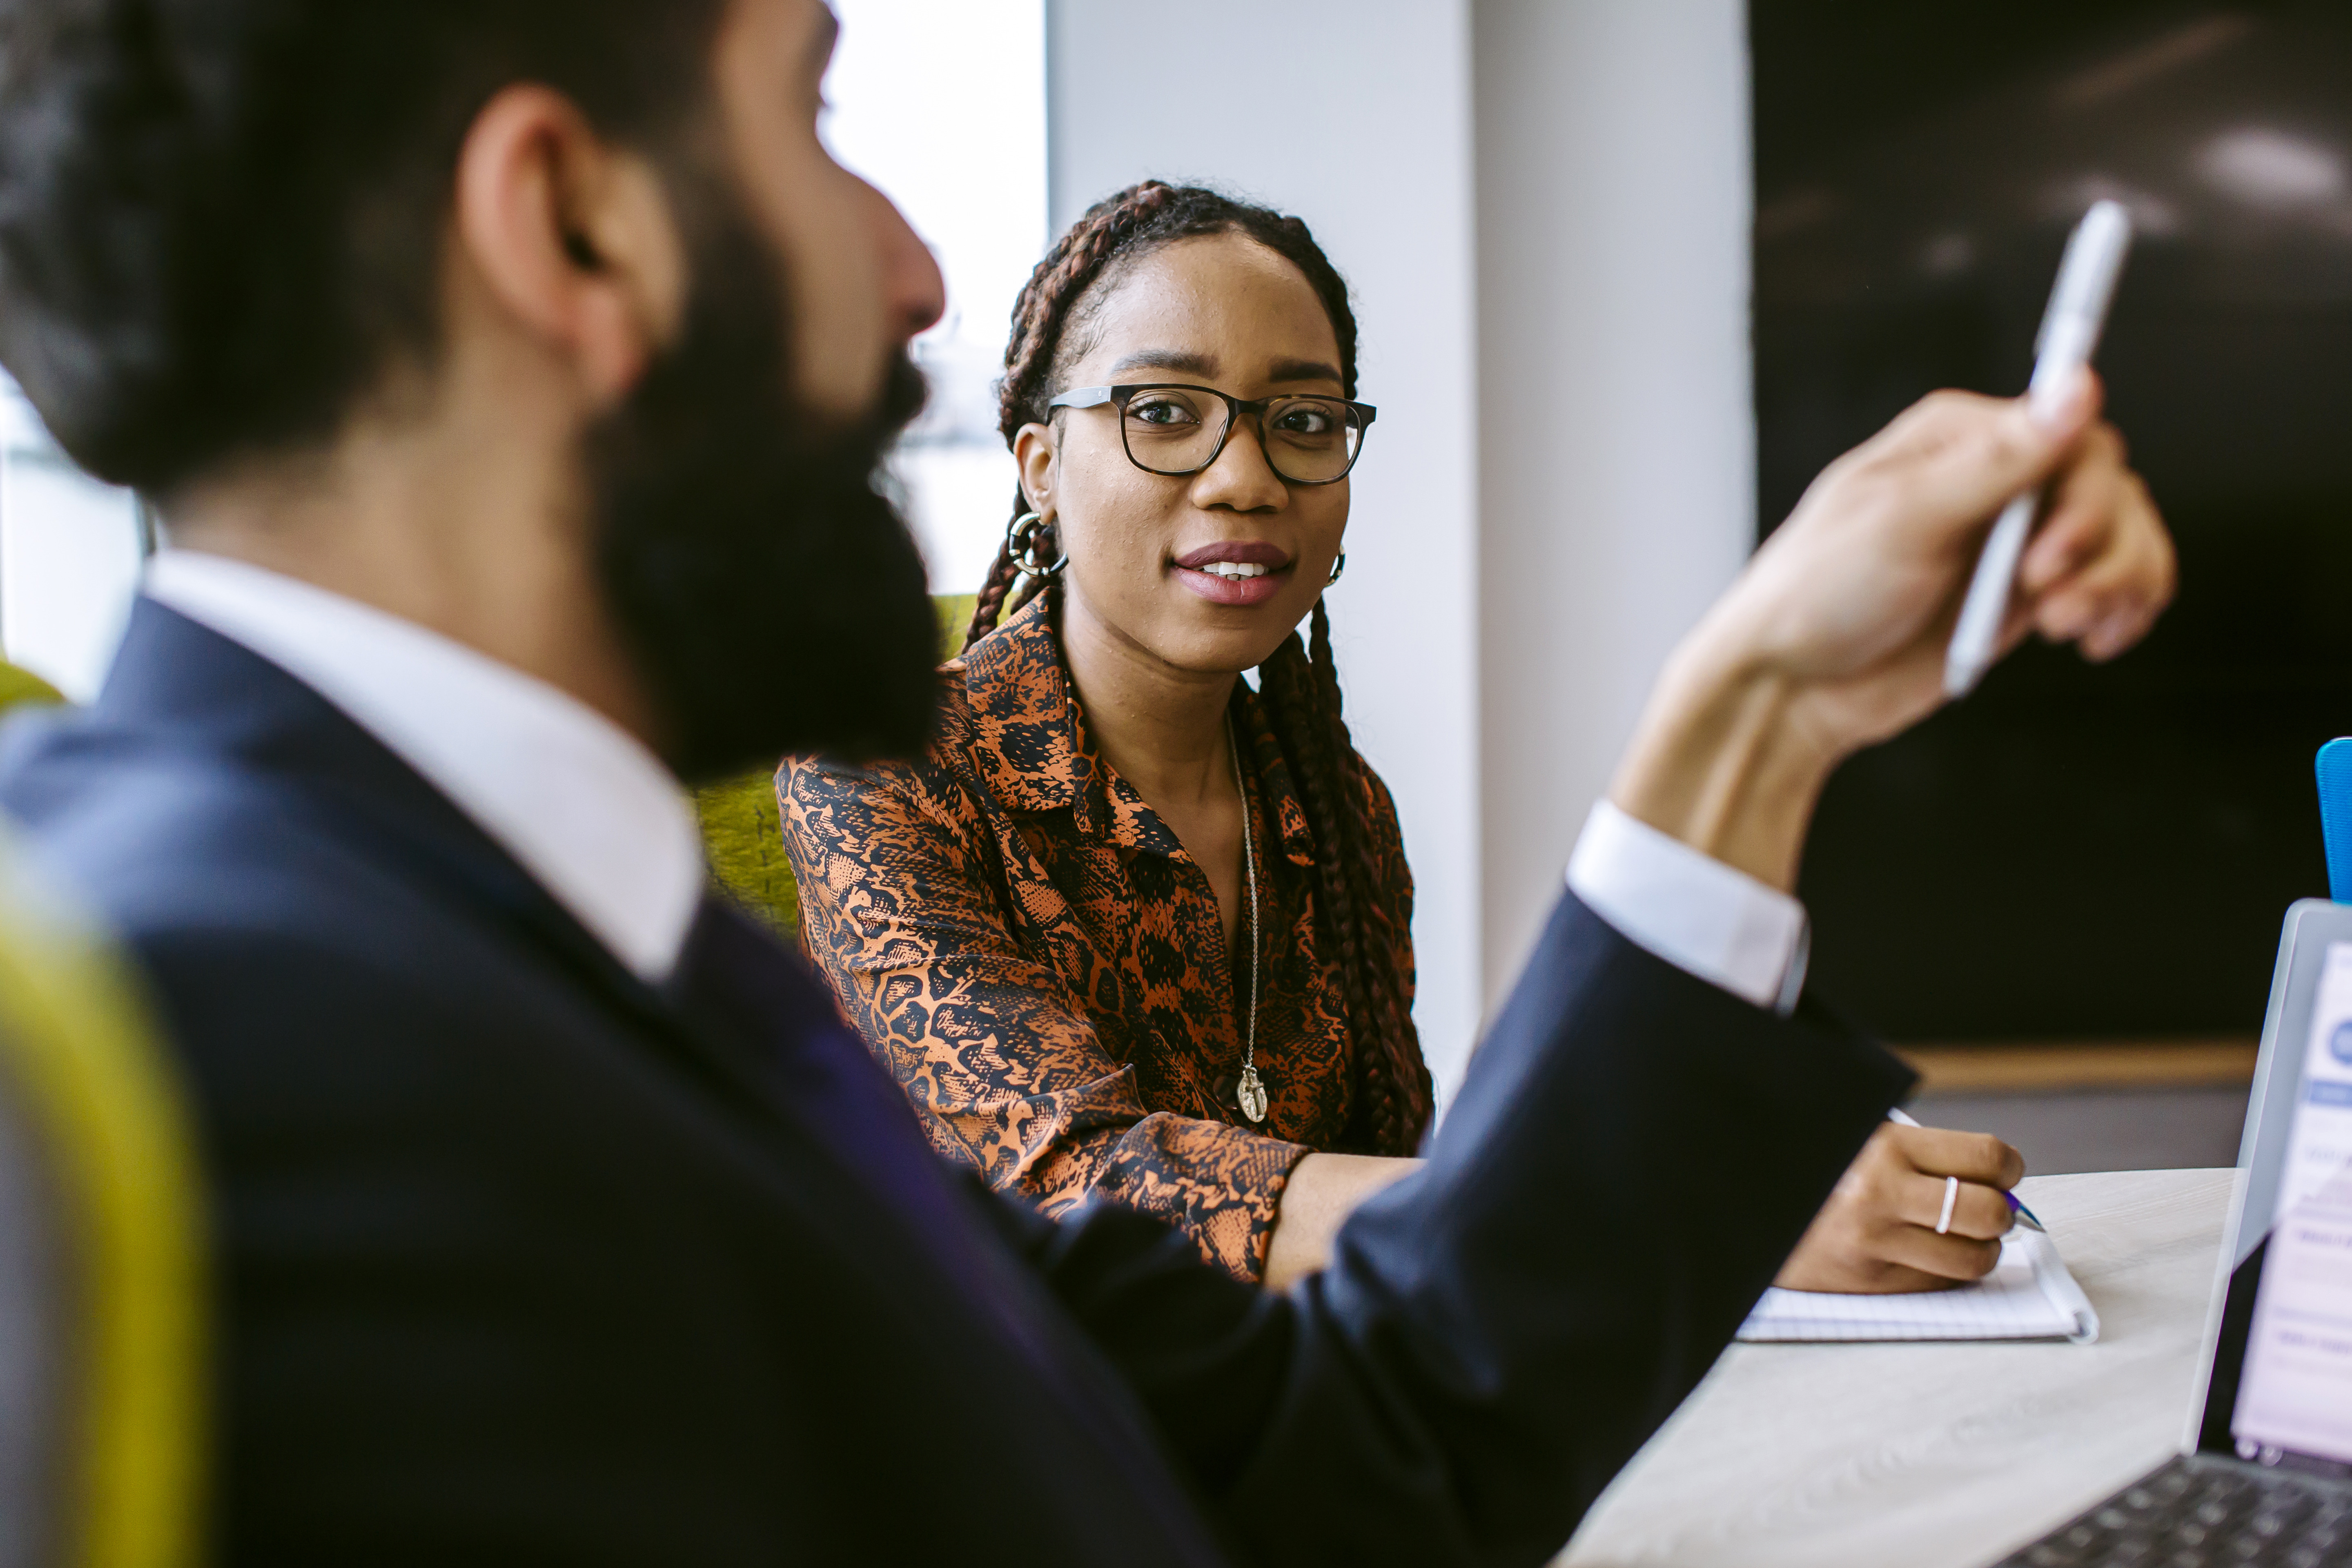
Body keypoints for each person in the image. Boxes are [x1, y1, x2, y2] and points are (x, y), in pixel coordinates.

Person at [0, 0, 2173, 1561]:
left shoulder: (579, 966)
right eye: (818, 109)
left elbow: (1368, 1463)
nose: (920, 271)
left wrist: (1761, 708)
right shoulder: (235, 1066)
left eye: (1305, 419)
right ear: (569, 229)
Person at [778, 181, 2129, 1294]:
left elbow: (1408, 1196)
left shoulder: (1331, 804)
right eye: (1165, 413)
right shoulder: (880, 767)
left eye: (1303, 422)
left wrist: (1700, 1166)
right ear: (1038, 469)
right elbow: (1076, 1183)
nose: (1246, 476)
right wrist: (1663, 1213)